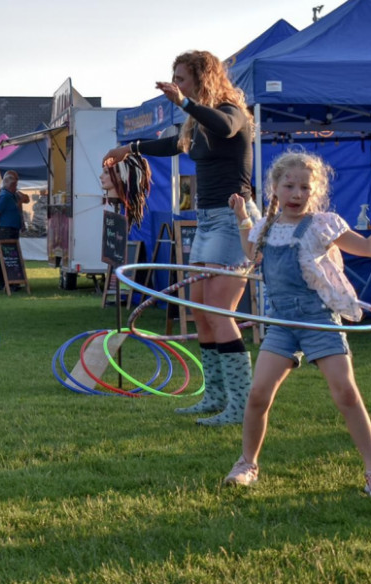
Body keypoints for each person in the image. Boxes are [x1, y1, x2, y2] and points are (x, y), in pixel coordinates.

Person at [222, 151, 371, 497]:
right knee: (258, 395)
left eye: (304, 187)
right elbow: (251, 255)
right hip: (280, 323)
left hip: (319, 319)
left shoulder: (323, 225)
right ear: (274, 189)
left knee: (346, 393)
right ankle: (247, 463)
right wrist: (241, 217)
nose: (296, 194)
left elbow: (369, 248)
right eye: (289, 185)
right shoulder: (266, 228)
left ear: (315, 192)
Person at [104, 50, 260, 426]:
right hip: (206, 222)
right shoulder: (195, 123)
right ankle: (215, 396)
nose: (176, 84)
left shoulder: (230, 110)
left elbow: (224, 127)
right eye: (175, 78)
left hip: (232, 218)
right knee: (202, 314)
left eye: (182, 78)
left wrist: (185, 102)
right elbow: (173, 145)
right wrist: (131, 148)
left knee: (221, 315)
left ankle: (241, 406)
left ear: (202, 78)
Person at [0, 170, 28, 241]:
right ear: (10, 184)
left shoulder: (13, 194)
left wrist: (20, 198)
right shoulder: (5, 196)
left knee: (12, 250)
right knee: (8, 250)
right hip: (6, 230)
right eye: (15, 184)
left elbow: (27, 199)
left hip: (12, 229)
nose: (16, 186)